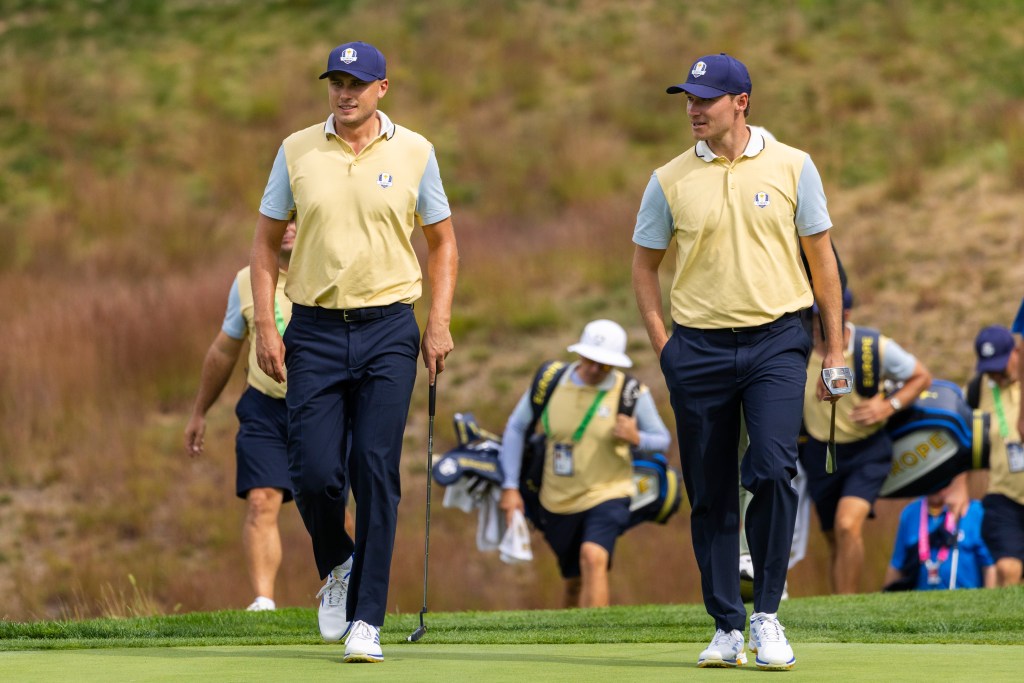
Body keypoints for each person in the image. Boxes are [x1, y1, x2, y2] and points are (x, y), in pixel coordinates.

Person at [632, 52, 848, 671]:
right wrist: (663, 345)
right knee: (708, 491)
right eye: (689, 99)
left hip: (778, 340)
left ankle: (768, 615)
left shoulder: (793, 167)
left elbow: (823, 261)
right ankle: (727, 624)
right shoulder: (668, 178)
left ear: (741, 102)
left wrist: (833, 350)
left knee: (775, 470)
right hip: (696, 348)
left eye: (706, 98)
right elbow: (645, 267)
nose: (694, 109)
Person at [249, 40, 458, 664]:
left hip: (389, 329)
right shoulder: (296, 150)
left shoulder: (416, 151)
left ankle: (368, 617)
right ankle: (338, 562)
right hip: (311, 329)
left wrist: (439, 321)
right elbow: (263, 246)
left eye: (357, 84)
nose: (345, 93)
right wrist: (266, 324)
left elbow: (444, 245)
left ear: (382, 89)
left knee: (375, 468)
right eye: (336, 82)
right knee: (314, 475)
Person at [497, 319, 672, 608]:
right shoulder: (550, 382)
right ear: (580, 354)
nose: (594, 369)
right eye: (590, 360)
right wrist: (510, 486)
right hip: (556, 501)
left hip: (609, 492)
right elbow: (516, 428)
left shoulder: (631, 392)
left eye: (604, 366)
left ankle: (597, 642)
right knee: (574, 579)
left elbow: (661, 439)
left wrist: (636, 436)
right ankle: (571, 639)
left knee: (593, 557)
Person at [184, 221, 298, 612]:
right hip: (265, 405)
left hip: (324, 409)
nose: (289, 227)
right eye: (283, 219)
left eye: (298, 218)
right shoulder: (248, 280)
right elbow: (224, 351)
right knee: (261, 500)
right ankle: (264, 600)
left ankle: (349, 587)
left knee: (331, 507)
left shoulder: (328, 274)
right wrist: (200, 411)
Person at [798, 290, 932, 594]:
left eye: (822, 315)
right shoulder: (799, 349)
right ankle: (839, 606)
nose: (816, 322)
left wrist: (888, 406)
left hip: (867, 452)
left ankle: (847, 605)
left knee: (848, 525)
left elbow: (922, 377)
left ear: (844, 313)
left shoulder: (871, 347)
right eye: (812, 315)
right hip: (820, 452)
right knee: (834, 536)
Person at [969, 325, 1023, 586]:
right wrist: (957, 485)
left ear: (1017, 352)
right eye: (989, 369)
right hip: (1004, 495)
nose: (996, 375)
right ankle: (1006, 626)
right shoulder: (979, 387)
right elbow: (960, 439)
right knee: (1007, 568)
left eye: (1000, 366)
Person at [883, 482, 995, 591]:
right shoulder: (910, 513)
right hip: (921, 602)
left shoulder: (974, 511)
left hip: (967, 599)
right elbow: (896, 565)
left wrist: (990, 604)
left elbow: (990, 566)